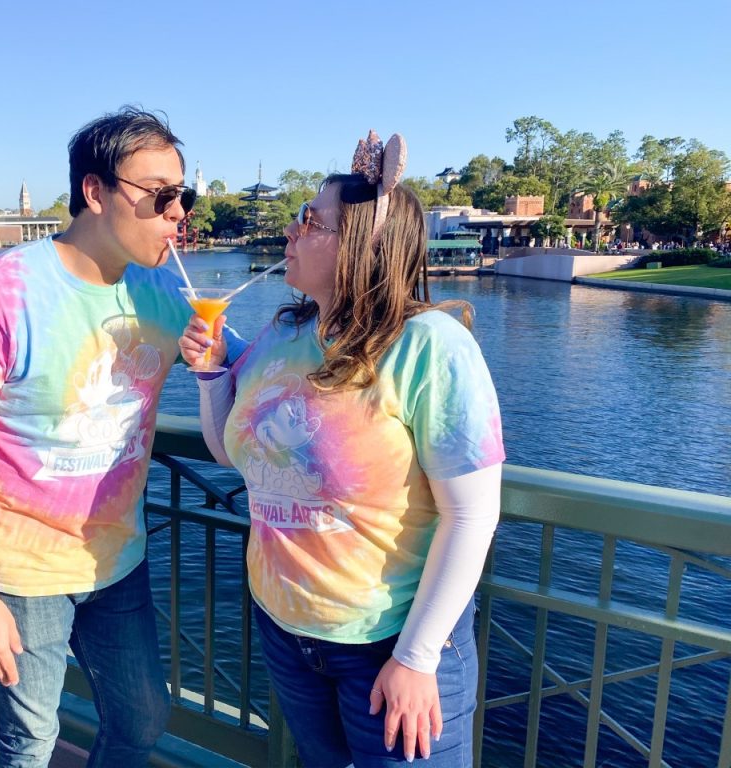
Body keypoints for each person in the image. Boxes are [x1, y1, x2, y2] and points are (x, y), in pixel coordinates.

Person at [0, 106, 245, 768]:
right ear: (95, 192)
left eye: (183, 196)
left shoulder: (168, 290)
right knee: (30, 743)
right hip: (21, 568)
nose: (178, 213)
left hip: (117, 560)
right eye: (160, 197)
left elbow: (260, 367)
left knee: (144, 719)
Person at [180, 130, 505, 767]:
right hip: (287, 630)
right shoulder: (282, 332)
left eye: (311, 219)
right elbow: (230, 455)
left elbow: (472, 513)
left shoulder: (429, 347)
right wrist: (214, 375)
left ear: (363, 243)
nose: (293, 231)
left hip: (391, 642)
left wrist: (416, 657)